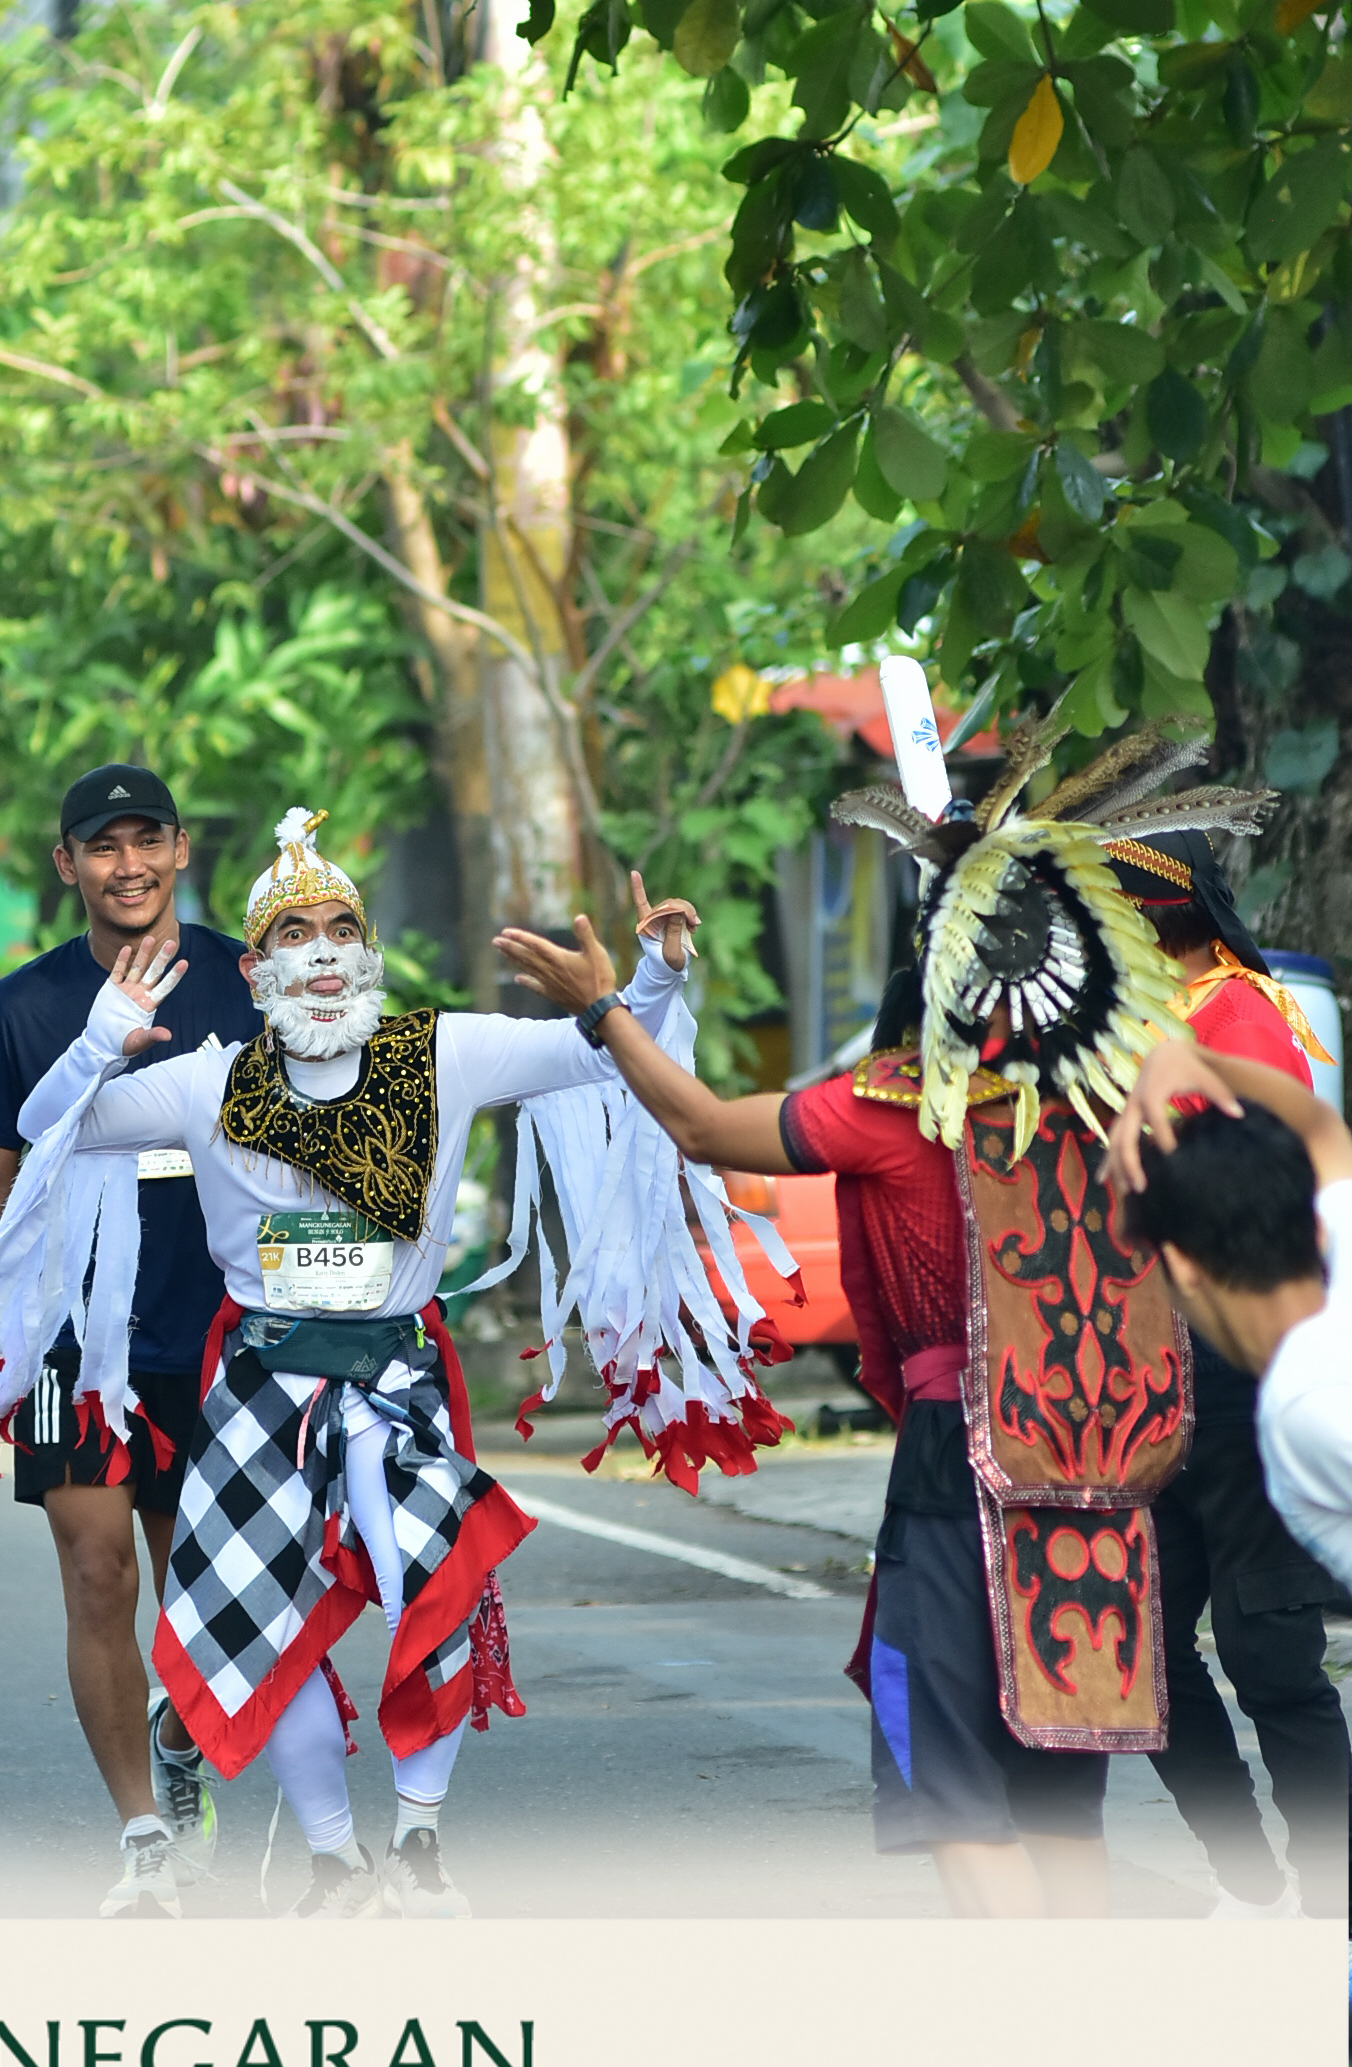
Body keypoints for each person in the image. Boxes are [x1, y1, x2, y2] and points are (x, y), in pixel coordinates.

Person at [495, 713, 1262, 1921]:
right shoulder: (1128, 1101)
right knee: (1059, 1803)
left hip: (956, 1466)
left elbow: (698, 1125)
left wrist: (606, 1010)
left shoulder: (895, 1103)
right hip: (1101, 1471)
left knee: (947, 1789)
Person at [0, 802, 712, 1926]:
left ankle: (418, 1843)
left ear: (367, 955)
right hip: (260, 1388)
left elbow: (599, 1056)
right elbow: (46, 1131)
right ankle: (329, 1861)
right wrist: (100, 1037)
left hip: (396, 1377)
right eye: (292, 934)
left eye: (340, 930)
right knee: (257, 1621)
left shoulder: (442, 1051)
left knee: (435, 1589)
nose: (320, 953)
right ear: (255, 969)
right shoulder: (207, 1081)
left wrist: (651, 980)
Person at [0, 765, 256, 1920]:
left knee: (202, 1592)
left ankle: (180, 1734)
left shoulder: (247, 982)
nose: (128, 866)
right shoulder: (23, 1006)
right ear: (67, 863)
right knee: (96, 1572)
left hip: (216, 1329)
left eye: (146, 840)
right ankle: (141, 1831)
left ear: (179, 848)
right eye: (102, 846)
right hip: (67, 1334)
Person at [1104, 832, 1345, 1916]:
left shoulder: (1236, 1014)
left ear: (1159, 918)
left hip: (1237, 1370)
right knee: (1143, 1650)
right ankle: (1243, 1876)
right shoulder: (1148, 1020)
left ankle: (1333, 1895)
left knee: (1268, 1652)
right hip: (1150, 1370)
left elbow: (1269, 1175)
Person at [1109, 1039, 1352, 1721]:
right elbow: (1321, 1128)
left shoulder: (1307, 1400)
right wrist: (1197, 1061)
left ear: (1183, 1266)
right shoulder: (1340, 1245)